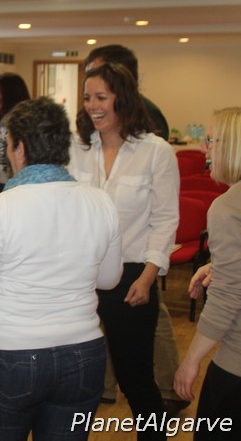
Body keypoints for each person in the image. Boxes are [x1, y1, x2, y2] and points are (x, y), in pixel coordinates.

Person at [0, 97, 122, 440]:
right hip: (83, 354)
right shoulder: (100, 200)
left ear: (19, 148)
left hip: (10, 356)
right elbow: (108, 279)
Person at [69, 63, 179, 440]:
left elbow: (165, 220)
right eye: (87, 97)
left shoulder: (155, 151)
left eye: (101, 97)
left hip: (132, 277)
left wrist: (148, 277)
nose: (92, 106)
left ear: (124, 99)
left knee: (136, 379)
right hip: (80, 276)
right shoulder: (78, 149)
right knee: (76, 379)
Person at [174, 107, 241, 438]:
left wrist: (191, 361)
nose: (203, 148)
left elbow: (227, 297)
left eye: (210, 140)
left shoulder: (227, 207)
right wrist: (219, 264)